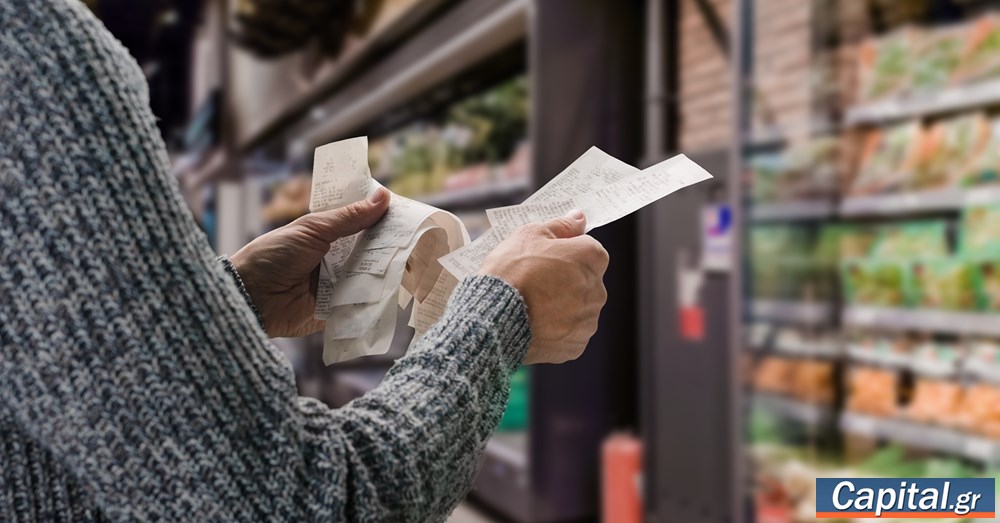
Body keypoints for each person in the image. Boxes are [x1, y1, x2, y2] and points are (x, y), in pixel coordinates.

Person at [0, 1, 609, 521]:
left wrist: (232, 296)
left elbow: (45, 384)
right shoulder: (30, 49)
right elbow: (302, 503)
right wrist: (499, 315)